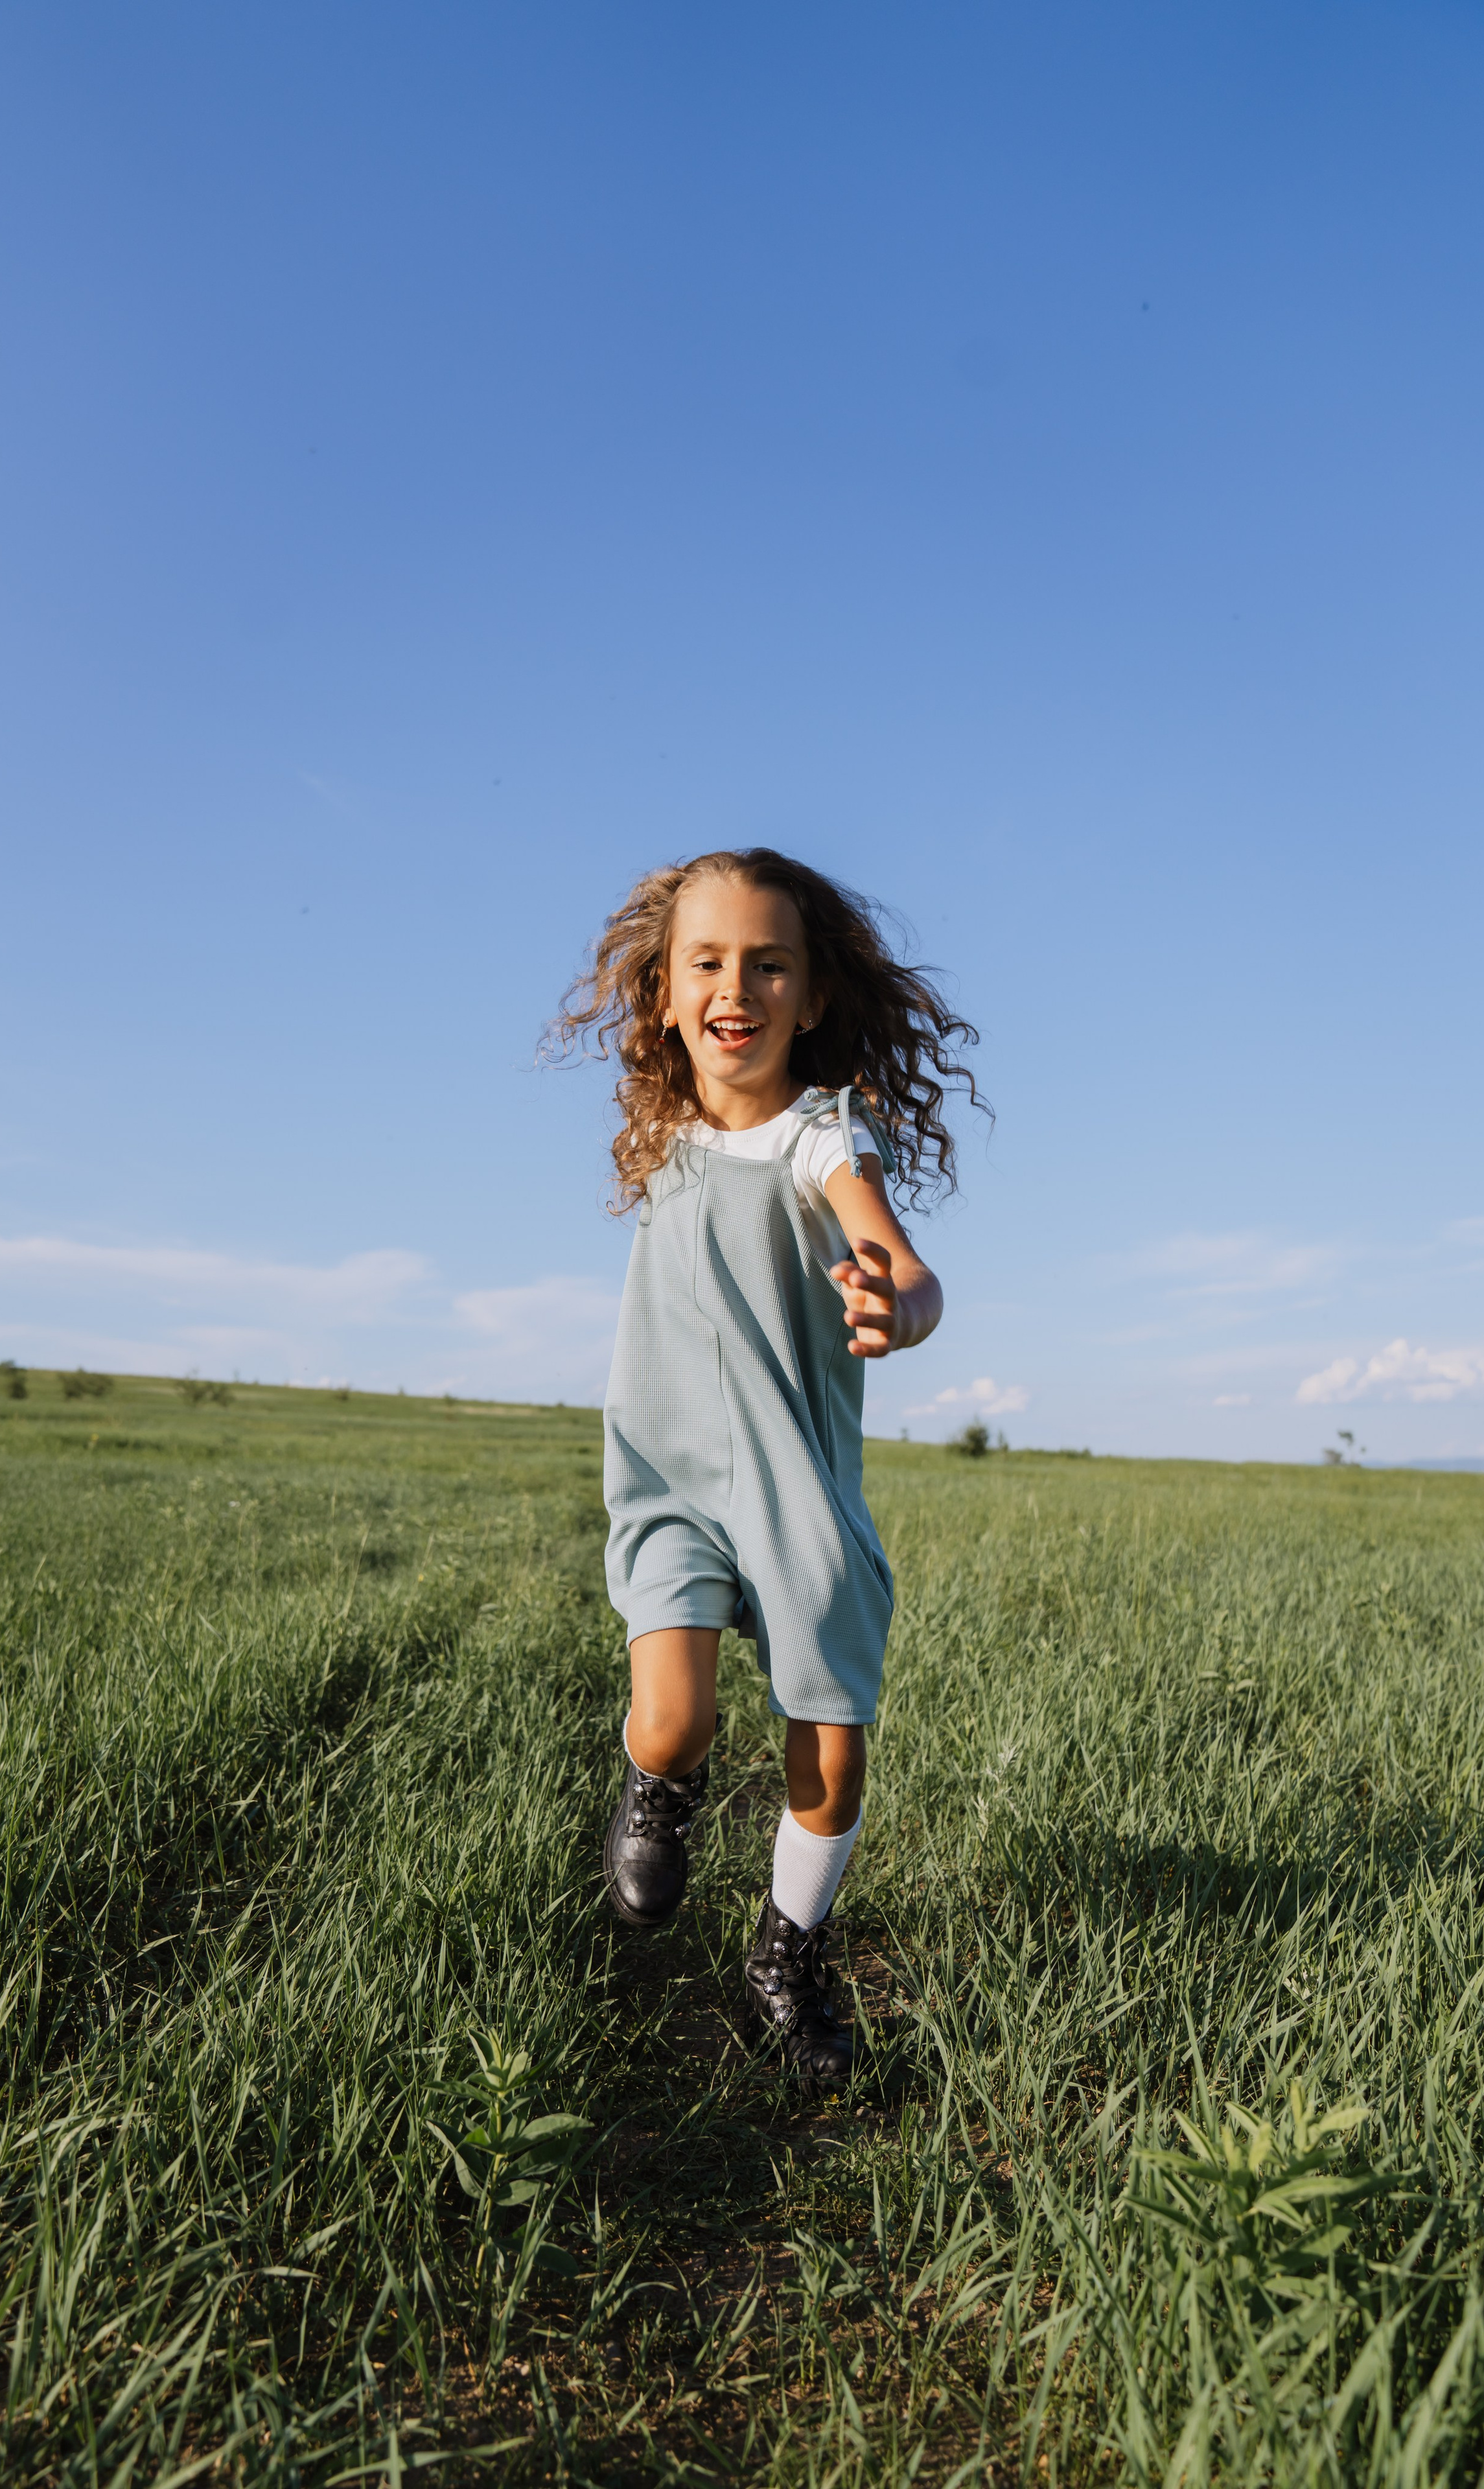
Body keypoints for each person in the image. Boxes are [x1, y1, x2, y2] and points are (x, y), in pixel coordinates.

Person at [551, 848, 978, 2083]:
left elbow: (897, 1257)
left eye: (767, 963)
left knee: (831, 1764)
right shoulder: (662, 1133)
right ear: (670, 994)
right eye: (708, 962)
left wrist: (901, 1303)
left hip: (795, 1490)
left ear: (810, 995)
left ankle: (786, 1951)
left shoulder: (820, 1135)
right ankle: (660, 1790)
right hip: (672, 1476)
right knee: (672, 1720)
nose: (736, 985)